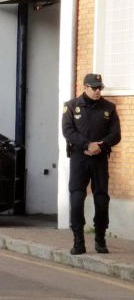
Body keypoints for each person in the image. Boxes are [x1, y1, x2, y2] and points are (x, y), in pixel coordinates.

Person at [62, 73, 121, 255]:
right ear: (85, 87)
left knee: (101, 199)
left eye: (99, 88)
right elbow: (68, 131)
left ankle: (100, 238)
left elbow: (115, 134)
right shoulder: (71, 106)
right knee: (77, 199)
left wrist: (100, 146)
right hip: (80, 158)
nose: (97, 91)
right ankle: (78, 241)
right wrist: (87, 145)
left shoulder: (109, 108)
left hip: (99, 159)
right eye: (94, 87)